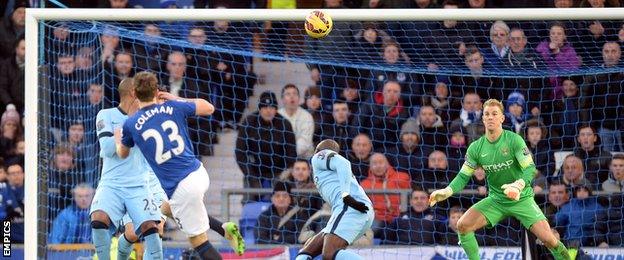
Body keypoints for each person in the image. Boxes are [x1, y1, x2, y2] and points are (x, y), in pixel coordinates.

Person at [115, 72, 237, 259]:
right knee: (165, 210)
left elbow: (122, 154)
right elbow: (209, 107)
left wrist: (118, 140)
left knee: (198, 241)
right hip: (198, 172)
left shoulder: (131, 124)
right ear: (157, 91)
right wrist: (176, 98)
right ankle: (223, 228)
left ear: (134, 93)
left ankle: (224, 231)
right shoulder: (172, 106)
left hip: (181, 187)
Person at [429, 99, 570, 260]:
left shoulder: (514, 140)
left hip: (521, 198)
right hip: (496, 200)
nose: (490, 117)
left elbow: (530, 168)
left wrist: (518, 186)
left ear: (502, 118)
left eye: (494, 114)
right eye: (487, 114)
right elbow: (463, 176)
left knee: (549, 240)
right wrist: (447, 191)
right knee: (463, 225)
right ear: (483, 119)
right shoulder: (476, 147)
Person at [296, 139, 374, 260]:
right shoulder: (332, 172)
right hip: (357, 210)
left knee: (329, 253)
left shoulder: (318, 157)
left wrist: (345, 195)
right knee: (306, 251)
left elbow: (344, 163)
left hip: (349, 207)